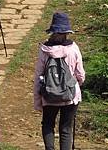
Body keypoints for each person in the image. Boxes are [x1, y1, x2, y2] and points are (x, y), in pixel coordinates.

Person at [34, 13, 85, 150]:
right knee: (66, 128)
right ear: (67, 32)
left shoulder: (44, 50)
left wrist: (38, 100)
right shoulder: (73, 48)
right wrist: (75, 85)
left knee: (48, 124)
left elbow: (38, 75)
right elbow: (80, 74)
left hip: (49, 95)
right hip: (70, 95)